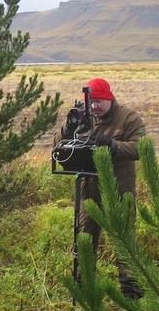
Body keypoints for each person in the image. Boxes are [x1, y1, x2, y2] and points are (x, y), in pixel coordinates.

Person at [54, 76, 146, 299]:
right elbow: (58, 146)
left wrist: (114, 145)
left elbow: (140, 148)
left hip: (119, 191)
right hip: (89, 192)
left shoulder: (128, 117)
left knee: (124, 242)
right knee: (85, 239)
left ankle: (131, 296)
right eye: (91, 102)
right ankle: (84, 293)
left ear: (109, 99)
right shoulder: (85, 118)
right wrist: (69, 127)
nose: (94, 106)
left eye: (98, 101)